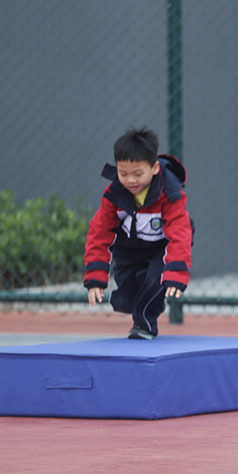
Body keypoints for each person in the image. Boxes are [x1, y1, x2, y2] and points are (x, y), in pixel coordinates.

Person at [84, 127, 193, 339]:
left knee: (154, 280)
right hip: (129, 249)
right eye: (123, 174)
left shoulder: (169, 193)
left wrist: (176, 272)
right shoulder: (113, 195)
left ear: (154, 168)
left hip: (159, 248)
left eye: (137, 174)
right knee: (126, 300)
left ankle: (144, 326)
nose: (130, 181)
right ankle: (144, 302)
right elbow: (99, 232)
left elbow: (180, 233)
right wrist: (95, 277)